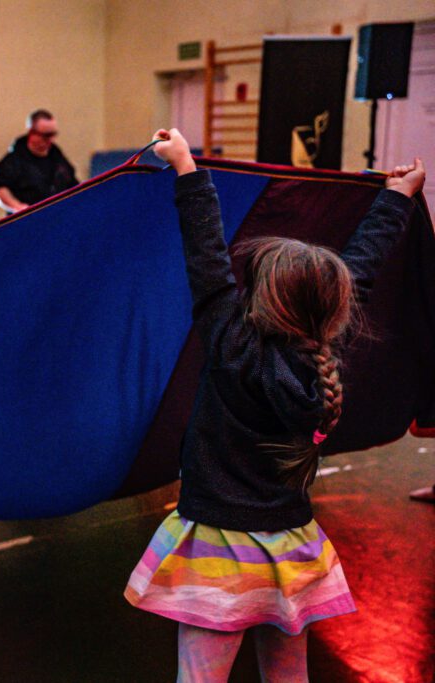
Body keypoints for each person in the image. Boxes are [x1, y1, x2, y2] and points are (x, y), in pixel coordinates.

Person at [124, 128, 425, 682]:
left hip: (218, 551)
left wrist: (186, 166)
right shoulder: (323, 355)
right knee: (288, 677)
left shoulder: (230, 345)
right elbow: (359, 268)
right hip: (291, 550)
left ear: (261, 300)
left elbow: (205, 251)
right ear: (332, 309)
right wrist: (396, 199)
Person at [0, 109, 79, 213]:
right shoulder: (13, 161)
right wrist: (17, 207)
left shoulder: (57, 157)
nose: (51, 140)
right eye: (46, 136)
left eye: (53, 135)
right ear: (32, 133)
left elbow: (72, 184)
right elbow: (0, 189)